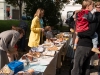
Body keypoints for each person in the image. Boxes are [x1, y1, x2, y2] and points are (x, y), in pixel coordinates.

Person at [71, 1, 98, 75]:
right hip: (87, 45)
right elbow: (72, 20)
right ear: (88, 6)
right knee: (85, 67)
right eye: (93, 6)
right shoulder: (88, 15)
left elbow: (90, 32)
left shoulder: (92, 17)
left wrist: (79, 33)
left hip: (84, 45)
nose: (94, 8)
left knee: (77, 67)